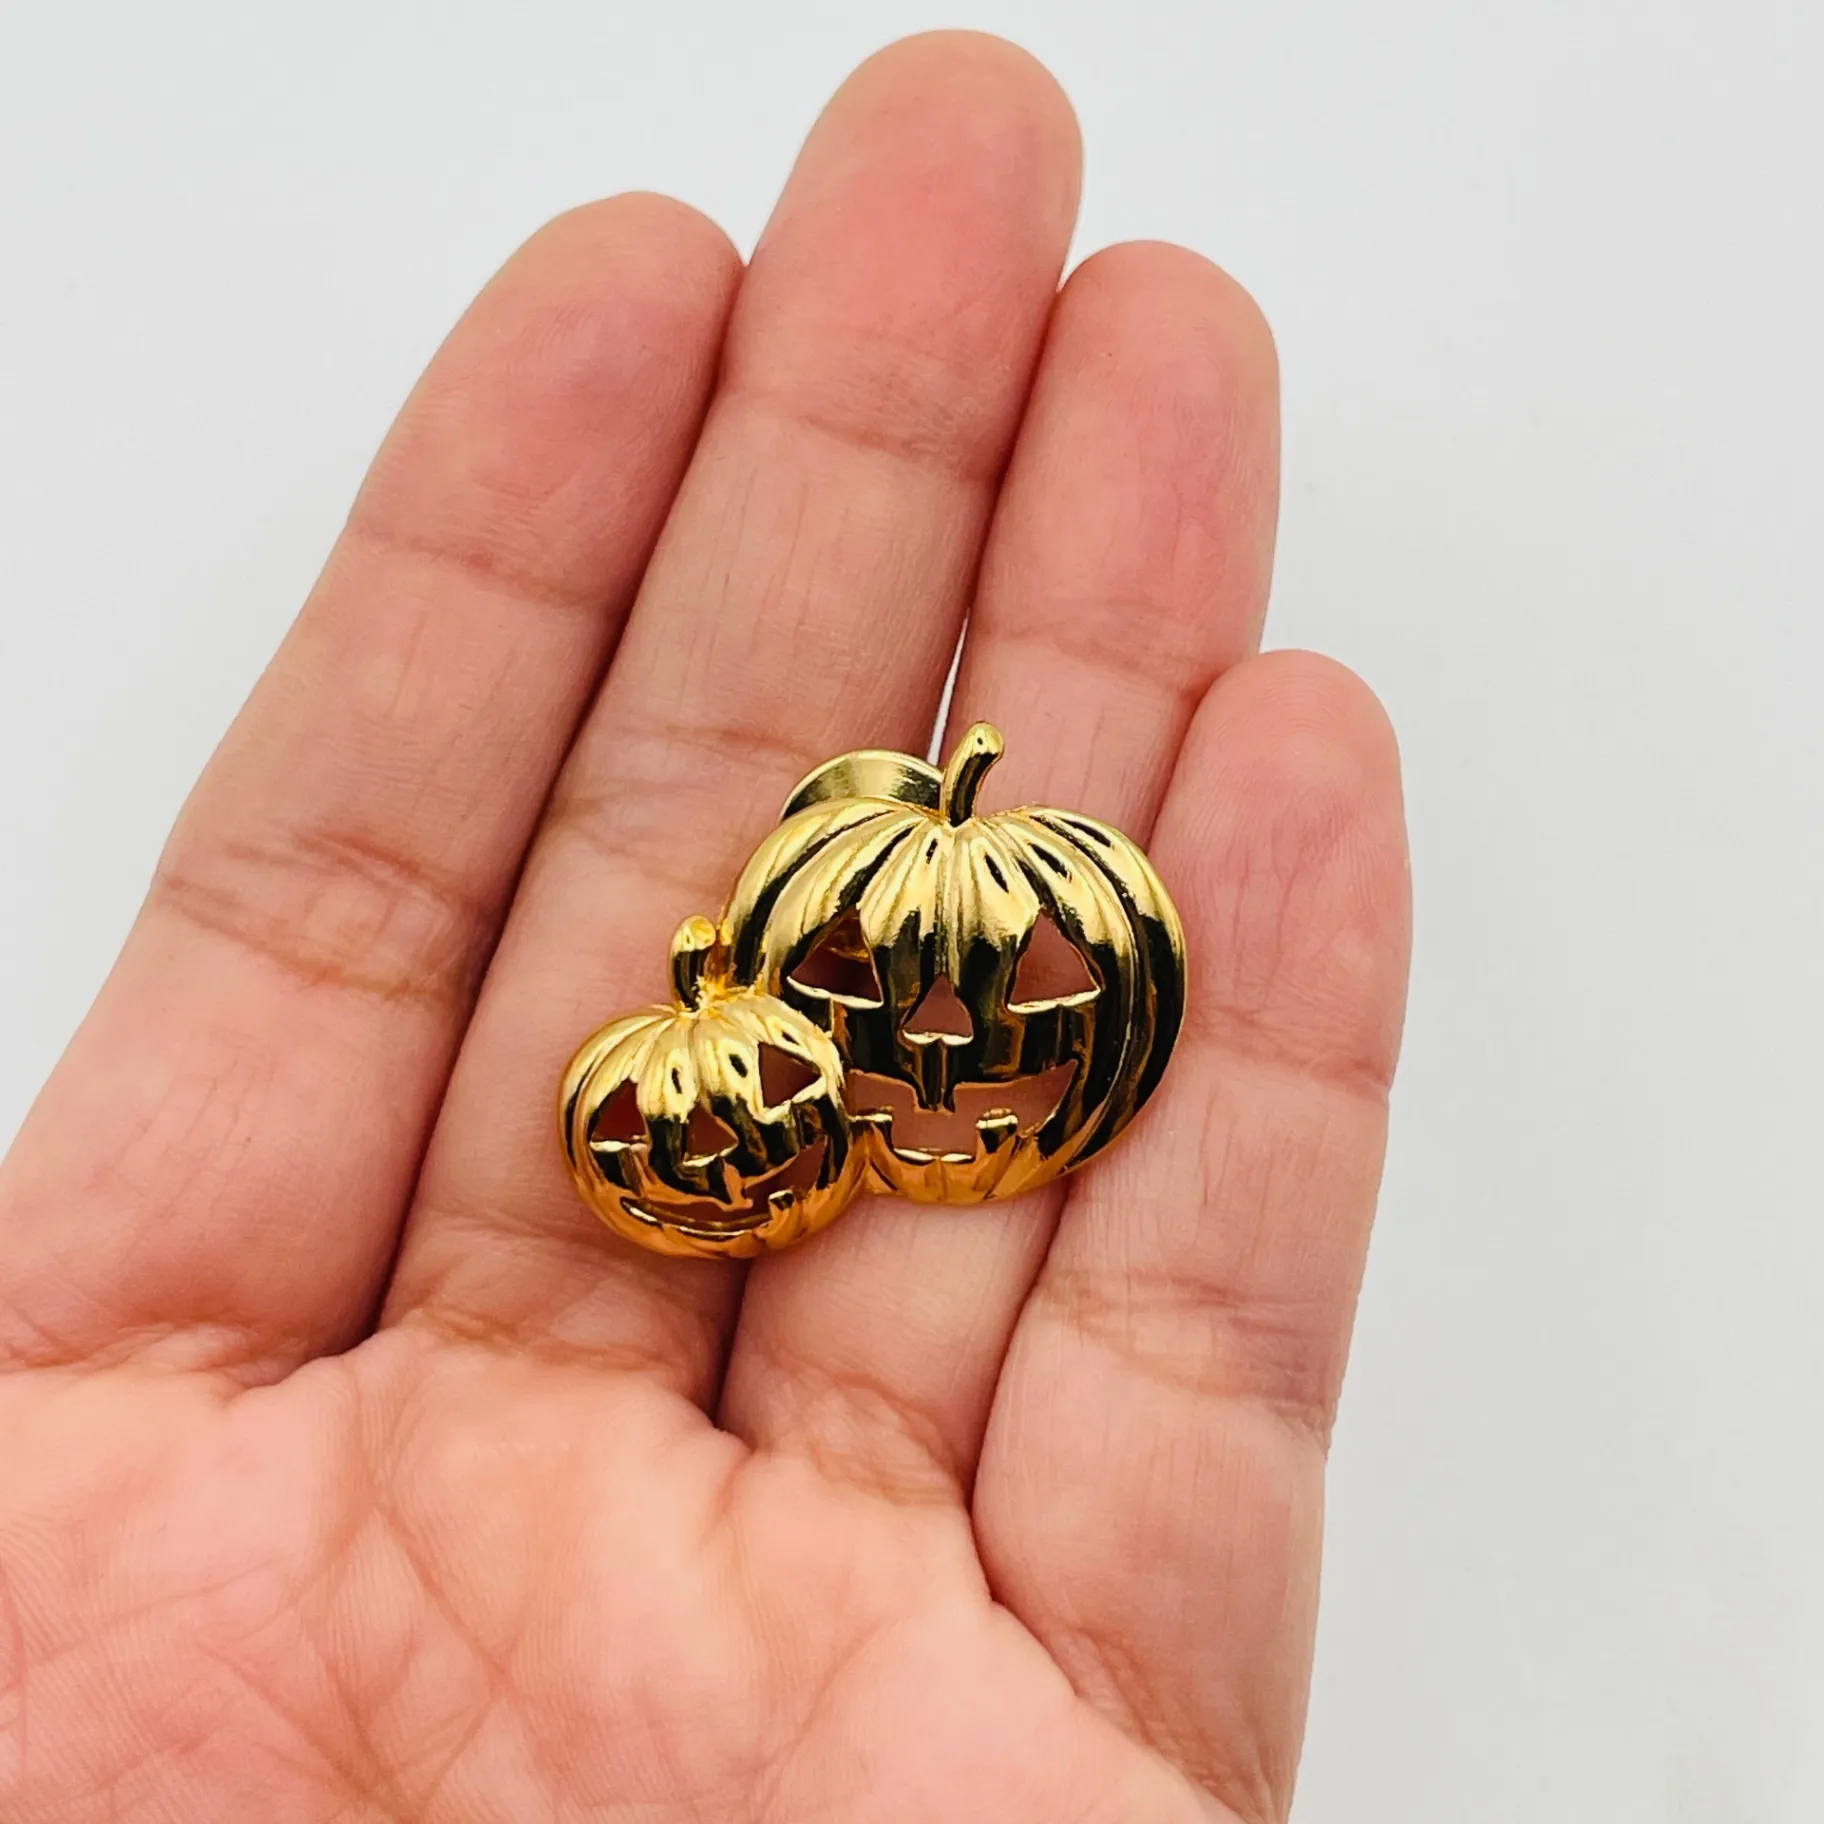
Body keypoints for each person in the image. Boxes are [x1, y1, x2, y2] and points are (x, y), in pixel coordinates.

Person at [0, 31, 1409, 1823]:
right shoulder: (735, 1066)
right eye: (860, 1001)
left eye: (980, 1017)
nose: (929, 1052)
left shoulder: (979, 983)